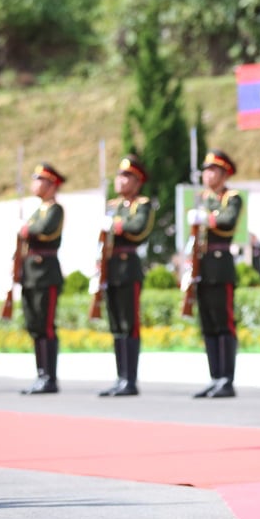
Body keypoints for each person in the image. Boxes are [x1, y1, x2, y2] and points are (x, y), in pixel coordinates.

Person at [97, 154, 156, 397]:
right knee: (116, 326)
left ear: (137, 181)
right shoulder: (112, 205)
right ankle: (120, 377)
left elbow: (139, 228)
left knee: (129, 325)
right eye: (119, 176)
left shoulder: (142, 205)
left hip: (128, 266)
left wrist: (117, 225)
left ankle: (130, 379)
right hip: (110, 267)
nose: (121, 181)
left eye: (126, 176)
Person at [188, 149, 243, 398]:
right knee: (208, 325)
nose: (207, 175)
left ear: (223, 174)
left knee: (224, 323)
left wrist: (207, 219)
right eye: (206, 170)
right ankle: (214, 377)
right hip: (201, 266)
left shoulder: (231, 198)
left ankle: (226, 379)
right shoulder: (201, 199)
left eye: (213, 171)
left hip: (220, 266)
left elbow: (228, 220)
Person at [20, 162, 67, 395]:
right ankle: (40, 374)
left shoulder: (55, 210)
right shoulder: (36, 211)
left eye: (40, 180)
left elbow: (44, 230)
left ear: (52, 184)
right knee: (35, 326)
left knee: (46, 326)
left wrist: (27, 230)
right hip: (30, 274)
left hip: (46, 273)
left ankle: (49, 377)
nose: (35, 184)